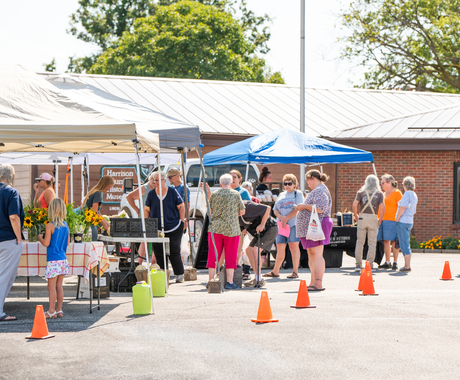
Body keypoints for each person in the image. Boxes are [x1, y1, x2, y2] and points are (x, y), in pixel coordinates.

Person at [204, 174, 245, 290]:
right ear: (231, 184)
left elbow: (209, 213)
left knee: (213, 255)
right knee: (230, 255)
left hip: (215, 228)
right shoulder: (235, 194)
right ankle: (230, 282)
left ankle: (211, 281)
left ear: (220, 184)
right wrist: (232, 214)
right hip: (231, 228)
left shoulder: (214, 194)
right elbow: (242, 211)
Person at [145, 171, 186, 283]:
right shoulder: (151, 194)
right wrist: (148, 224)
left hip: (174, 226)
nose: (157, 182)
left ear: (165, 180)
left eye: (160, 180)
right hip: (157, 227)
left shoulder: (172, 191)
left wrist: (181, 221)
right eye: (155, 180)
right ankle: (162, 273)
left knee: (174, 250)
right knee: (158, 251)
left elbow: (181, 207)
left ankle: (179, 274)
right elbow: (146, 209)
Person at [295, 170, 333, 291]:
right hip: (314, 225)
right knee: (312, 254)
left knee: (316, 254)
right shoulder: (318, 190)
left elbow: (321, 208)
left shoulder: (320, 190)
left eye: (308, 180)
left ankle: (318, 282)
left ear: (312, 178)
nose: (307, 183)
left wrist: (304, 206)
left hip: (317, 224)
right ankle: (314, 281)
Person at [263, 174, 304, 279]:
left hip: (293, 224)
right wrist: (281, 217)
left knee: (293, 247)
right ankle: (275, 271)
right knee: (280, 247)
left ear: (295, 184)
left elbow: (298, 208)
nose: (287, 185)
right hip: (281, 225)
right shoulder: (281, 194)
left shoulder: (297, 194)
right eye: (285, 183)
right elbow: (275, 209)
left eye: (289, 183)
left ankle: (295, 271)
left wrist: (286, 218)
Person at [38, 198, 70, 319]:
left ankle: (51, 311)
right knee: (59, 286)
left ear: (52, 210)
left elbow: (46, 243)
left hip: (53, 260)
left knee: (51, 286)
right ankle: (59, 310)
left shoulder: (50, 225)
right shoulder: (66, 226)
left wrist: (39, 238)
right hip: (62, 259)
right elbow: (67, 243)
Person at [0, 164, 24, 322]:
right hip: (8, 239)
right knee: (4, 277)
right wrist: (19, 237)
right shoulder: (10, 192)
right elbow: (14, 217)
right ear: (10, 176)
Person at [240, 201, 278, 287]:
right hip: (258, 233)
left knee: (256, 250)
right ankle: (258, 278)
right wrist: (238, 253)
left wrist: (262, 224)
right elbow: (241, 235)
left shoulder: (247, 205)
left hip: (270, 227)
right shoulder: (235, 216)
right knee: (248, 250)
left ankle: (259, 279)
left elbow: (267, 208)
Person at [352, 175, 385, 272]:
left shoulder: (361, 193)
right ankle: (369, 265)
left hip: (362, 217)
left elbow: (354, 204)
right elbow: (383, 207)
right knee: (372, 243)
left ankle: (358, 265)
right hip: (373, 217)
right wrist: (380, 219)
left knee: (360, 242)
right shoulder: (379, 194)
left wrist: (356, 215)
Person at [126, 173, 156, 265]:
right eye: (153, 180)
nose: (155, 182)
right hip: (145, 219)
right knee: (144, 241)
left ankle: (154, 264)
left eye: (157, 181)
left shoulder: (160, 188)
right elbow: (129, 196)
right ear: (150, 180)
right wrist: (137, 209)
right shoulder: (144, 188)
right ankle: (139, 264)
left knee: (156, 242)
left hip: (156, 218)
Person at [377, 174, 403, 270]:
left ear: (390, 182)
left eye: (383, 182)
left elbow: (401, 207)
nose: (381, 184)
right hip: (383, 219)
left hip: (393, 220)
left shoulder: (397, 193)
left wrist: (398, 218)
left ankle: (395, 262)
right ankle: (387, 261)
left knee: (394, 241)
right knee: (385, 241)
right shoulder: (383, 194)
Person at [396, 176, 418, 272]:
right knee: (405, 242)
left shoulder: (407, 194)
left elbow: (403, 207)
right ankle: (407, 265)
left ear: (405, 185)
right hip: (409, 221)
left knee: (404, 243)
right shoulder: (414, 194)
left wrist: (397, 218)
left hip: (403, 221)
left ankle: (407, 266)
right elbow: (412, 211)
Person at [83, 176, 114, 241]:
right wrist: (104, 225)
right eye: (109, 187)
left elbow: (98, 212)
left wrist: (106, 223)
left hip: (88, 223)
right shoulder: (98, 193)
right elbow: (95, 212)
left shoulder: (95, 191)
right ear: (104, 185)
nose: (109, 189)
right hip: (90, 224)